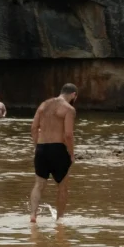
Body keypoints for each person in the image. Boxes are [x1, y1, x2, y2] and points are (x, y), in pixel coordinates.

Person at [29, 84, 78, 222]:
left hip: (41, 148)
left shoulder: (43, 105)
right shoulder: (69, 109)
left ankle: (33, 214)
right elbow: (68, 135)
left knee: (38, 184)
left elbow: (33, 128)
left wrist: (36, 146)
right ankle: (59, 220)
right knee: (62, 187)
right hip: (58, 149)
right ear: (74, 95)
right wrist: (71, 153)